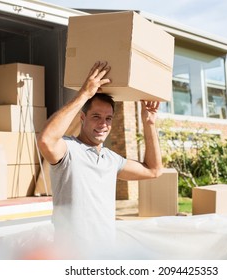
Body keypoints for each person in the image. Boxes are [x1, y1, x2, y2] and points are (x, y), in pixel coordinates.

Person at [37, 61, 163, 258]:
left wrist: (149, 123)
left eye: (108, 118)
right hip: (71, 257)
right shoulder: (69, 150)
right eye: (96, 116)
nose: (103, 124)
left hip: (104, 256)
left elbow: (154, 170)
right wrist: (84, 94)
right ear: (82, 118)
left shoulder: (111, 160)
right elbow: (46, 139)